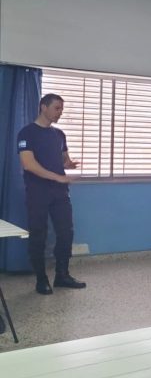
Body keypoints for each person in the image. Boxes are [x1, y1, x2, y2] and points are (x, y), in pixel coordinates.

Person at [17, 93, 85, 295]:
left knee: (66, 233)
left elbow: (63, 159)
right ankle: (41, 279)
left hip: (60, 193)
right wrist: (57, 176)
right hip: (38, 193)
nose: (60, 113)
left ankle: (62, 275)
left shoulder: (59, 135)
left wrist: (68, 165)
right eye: (57, 108)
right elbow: (28, 164)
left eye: (62, 109)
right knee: (39, 234)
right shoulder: (27, 133)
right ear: (43, 107)